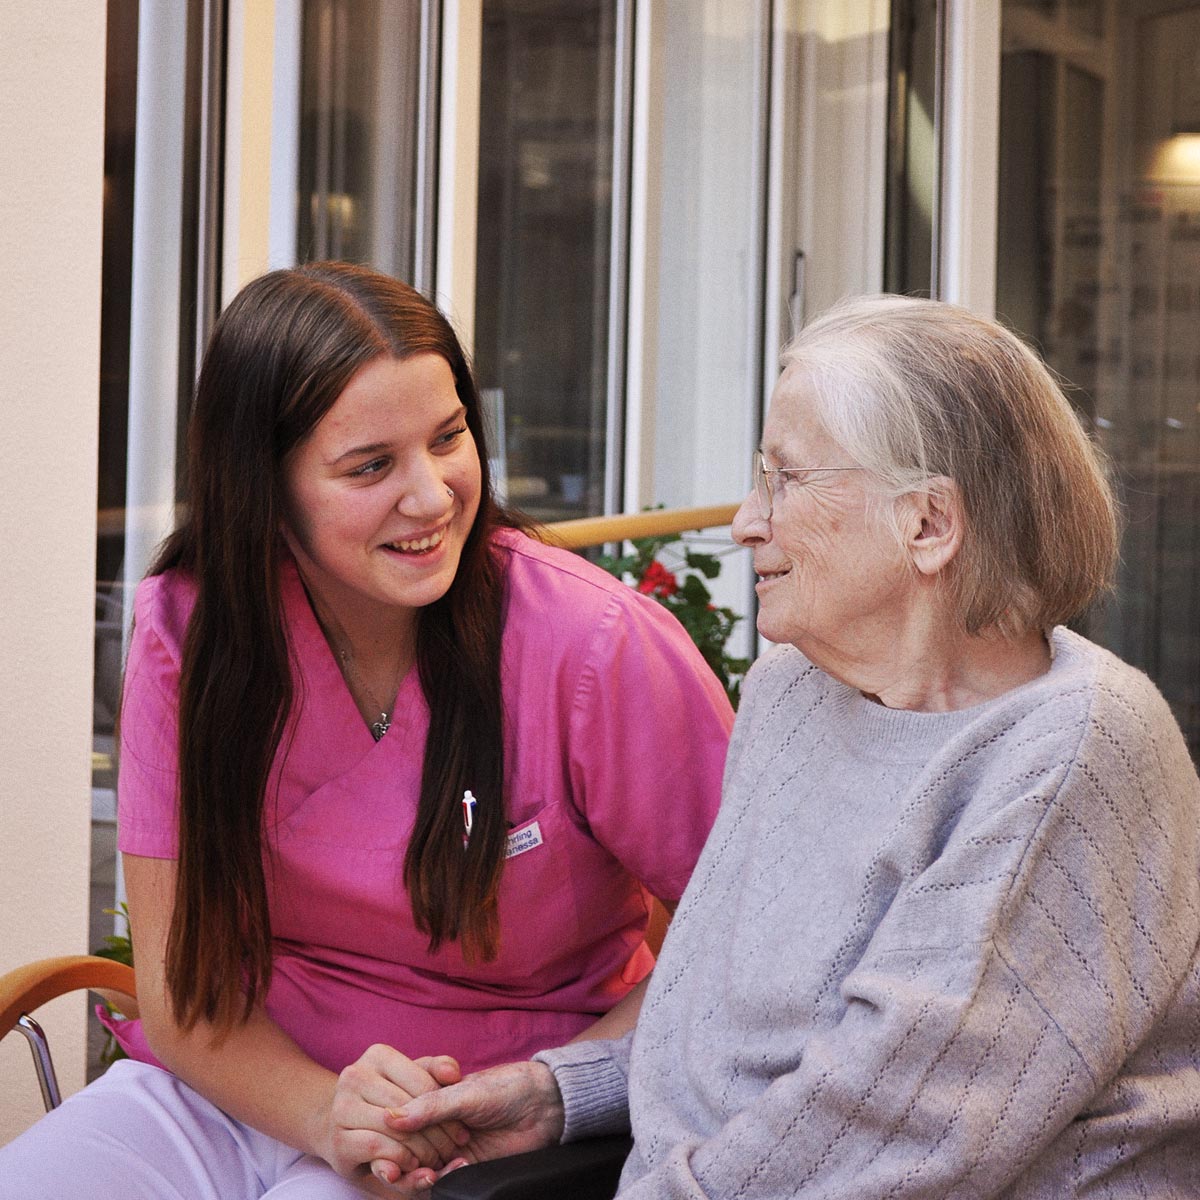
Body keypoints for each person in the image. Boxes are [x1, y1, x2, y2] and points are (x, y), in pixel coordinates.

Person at [389, 295, 1200, 1197]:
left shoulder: (1073, 751)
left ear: (927, 525)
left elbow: (889, 1136)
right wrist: (559, 1096)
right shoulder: (794, 691)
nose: (745, 521)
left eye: (786, 478)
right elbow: (730, 1020)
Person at [0, 262, 733, 1199]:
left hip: (487, 1131)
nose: (430, 497)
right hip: (239, 1087)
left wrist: (556, 1089)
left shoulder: (593, 647)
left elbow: (759, 941)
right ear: (265, 489)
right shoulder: (194, 631)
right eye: (370, 466)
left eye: (449, 437)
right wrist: (321, 1112)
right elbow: (183, 998)